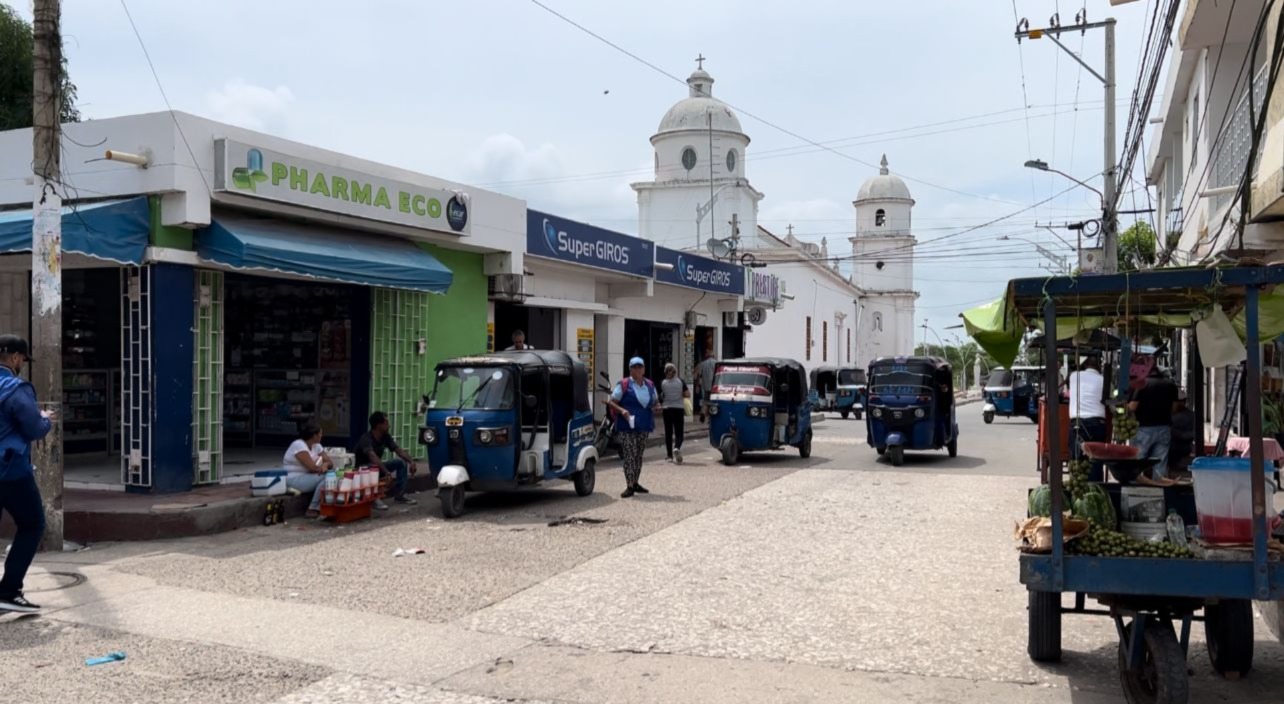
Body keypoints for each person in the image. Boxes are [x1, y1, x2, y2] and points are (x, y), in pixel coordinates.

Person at [0, 335, 53, 613]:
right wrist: (45, 420)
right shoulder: (16, 388)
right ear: (15, 357)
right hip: (10, 471)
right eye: (22, 359)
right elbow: (33, 428)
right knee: (32, 524)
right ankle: (9, 591)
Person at [607, 357, 660, 498]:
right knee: (629, 454)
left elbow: (655, 402)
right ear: (630, 369)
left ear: (644, 369)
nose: (637, 370)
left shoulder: (649, 384)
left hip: (644, 424)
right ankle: (629, 485)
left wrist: (657, 408)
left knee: (638, 454)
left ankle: (636, 482)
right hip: (627, 425)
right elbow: (612, 402)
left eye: (640, 367)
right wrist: (622, 411)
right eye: (634, 367)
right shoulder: (624, 384)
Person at [354, 411, 419, 509]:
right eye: (386, 423)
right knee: (373, 467)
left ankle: (400, 495)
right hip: (362, 471)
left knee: (400, 463)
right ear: (378, 425)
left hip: (376, 469)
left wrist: (411, 461)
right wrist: (386, 472)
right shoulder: (366, 438)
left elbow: (398, 450)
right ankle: (374, 498)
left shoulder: (385, 437)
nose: (389, 426)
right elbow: (372, 456)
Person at [1128, 366, 1180, 479]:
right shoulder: (1171, 385)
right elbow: (1175, 409)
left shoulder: (1142, 384)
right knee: (1160, 463)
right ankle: (1160, 489)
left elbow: (1132, 407)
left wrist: (1121, 407)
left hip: (1143, 429)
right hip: (1164, 428)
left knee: (1138, 461)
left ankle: (1136, 487)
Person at [1067, 355, 1108, 481]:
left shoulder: (1074, 376)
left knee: (1077, 460)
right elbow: (1110, 399)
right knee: (1096, 459)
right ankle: (1096, 488)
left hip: (1077, 424)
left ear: (1085, 365)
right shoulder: (1104, 380)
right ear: (1099, 366)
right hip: (1097, 424)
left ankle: (1077, 487)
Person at [284, 421, 333, 518]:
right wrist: (322, 468)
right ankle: (312, 508)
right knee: (327, 477)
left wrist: (326, 464)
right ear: (314, 435)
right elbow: (312, 468)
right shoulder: (299, 445)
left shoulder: (317, 446)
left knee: (332, 474)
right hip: (293, 479)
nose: (322, 436)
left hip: (308, 477)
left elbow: (330, 462)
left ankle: (323, 506)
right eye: (320, 434)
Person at [659, 363, 690, 464]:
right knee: (679, 432)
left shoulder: (663, 383)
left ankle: (669, 456)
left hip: (667, 409)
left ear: (665, 372)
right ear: (675, 371)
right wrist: (680, 394)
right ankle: (676, 447)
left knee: (668, 432)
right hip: (678, 409)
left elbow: (661, 396)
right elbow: (687, 394)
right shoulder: (681, 382)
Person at [1169, 389, 1196, 475]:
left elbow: (1194, 433)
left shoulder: (1190, 415)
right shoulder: (1166, 413)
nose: (1180, 403)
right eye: (1177, 401)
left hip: (1182, 447)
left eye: (1182, 401)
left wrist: (1179, 435)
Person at [694, 350, 718, 422]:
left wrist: (697, 385)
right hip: (715, 386)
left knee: (706, 400)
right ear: (713, 356)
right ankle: (711, 417)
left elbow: (698, 375)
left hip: (706, 386)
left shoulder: (702, 364)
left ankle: (703, 412)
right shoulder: (716, 363)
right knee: (714, 402)